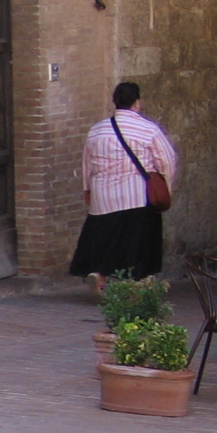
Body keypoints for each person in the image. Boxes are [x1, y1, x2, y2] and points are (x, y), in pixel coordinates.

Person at [69, 81, 178, 288]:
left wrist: (88, 190)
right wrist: (167, 186)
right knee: (136, 241)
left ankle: (99, 275)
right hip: (136, 194)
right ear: (137, 102)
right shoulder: (148, 129)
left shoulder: (97, 130)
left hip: (103, 196)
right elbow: (167, 160)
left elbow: (87, 164)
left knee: (103, 237)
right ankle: (134, 280)